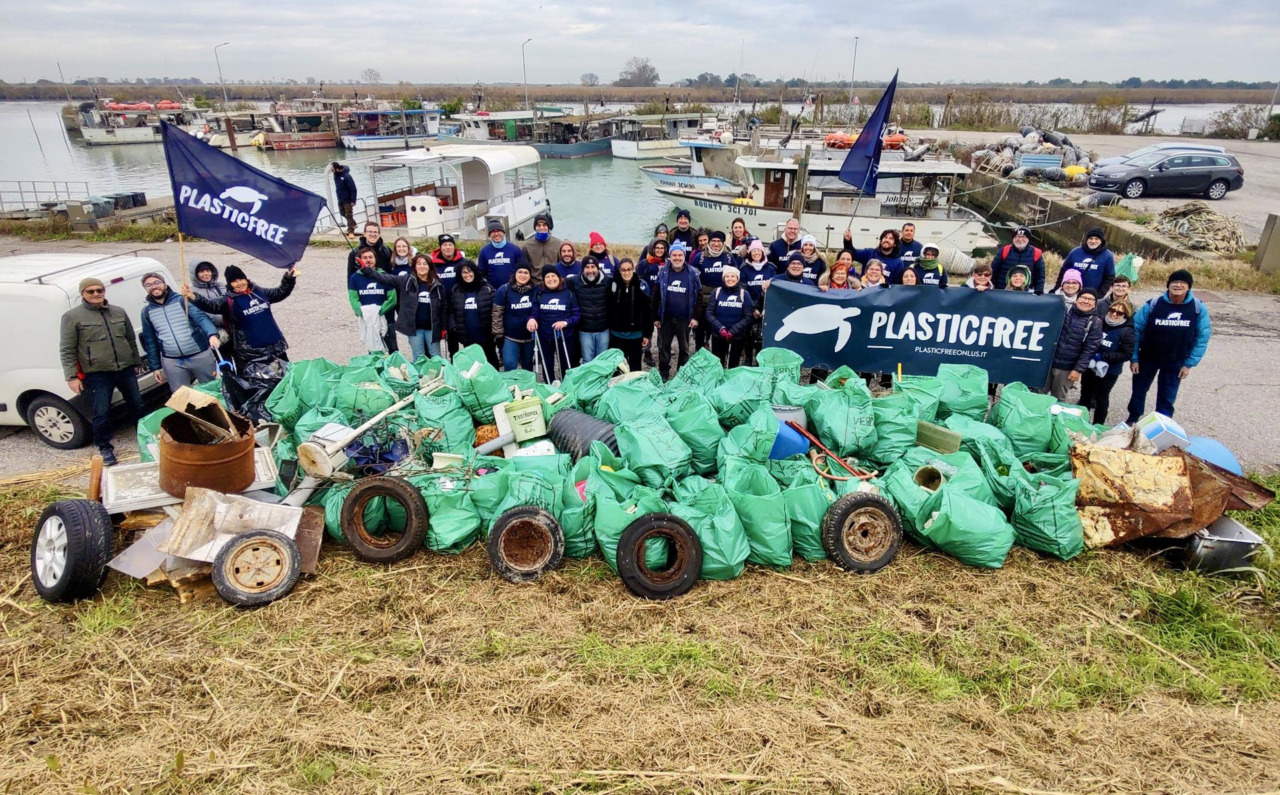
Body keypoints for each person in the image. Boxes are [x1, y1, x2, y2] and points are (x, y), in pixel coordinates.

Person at [60, 277, 144, 465]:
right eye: (91, 291)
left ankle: (145, 438)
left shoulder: (118, 312)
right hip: (97, 373)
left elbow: (130, 339)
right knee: (102, 412)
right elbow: (67, 348)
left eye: (99, 290)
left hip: (125, 368)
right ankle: (105, 447)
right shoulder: (72, 317)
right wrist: (71, 376)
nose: (96, 294)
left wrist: (136, 361)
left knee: (137, 405)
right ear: (83, 294)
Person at [1125, 269, 1211, 424]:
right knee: (1139, 391)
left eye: (1182, 282)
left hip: (1176, 360)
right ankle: (1133, 418)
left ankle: (1161, 423)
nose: (1178, 285)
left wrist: (1189, 363)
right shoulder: (1153, 304)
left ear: (1189, 287)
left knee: (1167, 395)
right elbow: (1135, 330)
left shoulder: (1198, 308)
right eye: (1174, 282)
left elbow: (1202, 337)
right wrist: (1134, 358)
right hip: (1147, 357)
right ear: (1168, 285)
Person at [184, 265, 296, 373]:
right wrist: (193, 296)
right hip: (250, 352)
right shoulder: (228, 300)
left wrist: (289, 277)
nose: (239, 283)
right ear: (230, 284)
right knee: (260, 383)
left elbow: (280, 292)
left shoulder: (259, 292)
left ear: (246, 279)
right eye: (234, 281)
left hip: (275, 345)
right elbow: (210, 305)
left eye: (241, 279)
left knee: (286, 375)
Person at [139, 272, 219, 392]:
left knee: (214, 389)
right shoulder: (146, 312)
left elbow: (201, 318)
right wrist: (155, 367)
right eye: (148, 285)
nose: (154, 286)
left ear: (165, 284)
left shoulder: (183, 300)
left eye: (157, 282)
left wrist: (212, 334)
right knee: (181, 397)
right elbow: (150, 340)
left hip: (199, 354)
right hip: (172, 362)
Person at [362, 252, 446, 361]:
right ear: (414, 266)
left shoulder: (438, 285)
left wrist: (444, 328)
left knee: (436, 356)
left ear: (430, 267)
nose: (422, 266)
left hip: (432, 328)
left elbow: (443, 308)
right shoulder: (405, 280)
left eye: (425, 264)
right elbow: (385, 278)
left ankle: (438, 377)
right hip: (414, 328)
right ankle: (419, 377)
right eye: (419, 264)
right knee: (418, 356)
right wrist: (368, 271)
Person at [652, 242, 702, 381]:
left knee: (685, 348)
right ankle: (663, 373)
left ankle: (682, 374)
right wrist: (655, 317)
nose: (677, 258)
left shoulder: (693, 273)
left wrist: (695, 317)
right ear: (670, 256)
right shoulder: (663, 272)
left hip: (685, 318)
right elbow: (655, 296)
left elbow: (699, 296)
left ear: (684, 256)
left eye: (680, 255)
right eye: (674, 255)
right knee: (663, 347)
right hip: (666, 318)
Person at [1080, 299, 1135, 424]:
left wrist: (1104, 356)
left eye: (1120, 313)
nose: (1114, 314)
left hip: (1108, 371)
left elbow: (1127, 354)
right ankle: (1081, 422)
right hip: (1090, 366)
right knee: (1085, 395)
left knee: (1101, 398)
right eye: (1112, 310)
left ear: (1125, 315)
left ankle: (1098, 425)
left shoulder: (1127, 331)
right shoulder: (1099, 322)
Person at [1048, 288, 1103, 403]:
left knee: (1058, 400)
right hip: (1048, 363)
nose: (1086, 301)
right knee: (1037, 395)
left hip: (1066, 368)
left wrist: (1078, 370)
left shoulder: (1095, 322)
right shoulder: (1063, 312)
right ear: (1077, 299)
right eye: (1083, 297)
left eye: (1090, 299)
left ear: (1095, 304)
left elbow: (1089, 350)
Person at [530, 267, 580, 382]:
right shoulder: (539, 293)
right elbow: (535, 312)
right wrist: (532, 319)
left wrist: (565, 322)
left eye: (553, 276)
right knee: (547, 364)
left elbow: (577, 315)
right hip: (544, 336)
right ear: (544, 280)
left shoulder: (569, 293)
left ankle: (565, 386)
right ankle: (549, 386)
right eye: (547, 277)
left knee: (565, 365)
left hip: (564, 336)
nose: (551, 279)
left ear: (559, 278)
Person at [348, 247, 398, 353]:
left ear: (375, 259)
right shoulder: (355, 278)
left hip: (386, 320)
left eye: (370, 257)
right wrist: (362, 312)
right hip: (368, 320)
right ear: (360, 260)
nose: (368, 260)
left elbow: (392, 298)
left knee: (392, 350)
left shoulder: (384, 276)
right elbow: (353, 298)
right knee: (373, 351)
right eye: (365, 258)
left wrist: (377, 311)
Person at [449, 262, 499, 368]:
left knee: (491, 362)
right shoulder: (456, 290)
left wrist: (495, 329)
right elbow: (451, 310)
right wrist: (453, 326)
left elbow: (496, 309)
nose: (467, 275)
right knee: (473, 365)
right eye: (464, 272)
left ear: (475, 272)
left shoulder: (487, 288)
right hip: (467, 336)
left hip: (486, 335)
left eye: (470, 271)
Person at [606, 258, 651, 372]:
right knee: (618, 367)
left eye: (629, 269)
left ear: (633, 269)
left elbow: (647, 312)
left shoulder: (642, 286)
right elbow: (608, 309)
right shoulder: (613, 285)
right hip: (617, 334)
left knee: (635, 367)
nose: (626, 273)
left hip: (636, 335)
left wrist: (647, 334)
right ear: (619, 270)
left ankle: (635, 388)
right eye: (623, 270)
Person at [493, 263, 538, 373]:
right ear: (515, 274)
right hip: (510, 337)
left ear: (530, 275)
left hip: (530, 337)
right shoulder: (504, 290)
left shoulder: (535, 290)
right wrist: (498, 335)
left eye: (526, 273)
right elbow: (497, 314)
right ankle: (511, 387)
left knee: (527, 366)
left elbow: (538, 310)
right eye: (520, 272)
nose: (523, 275)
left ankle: (526, 388)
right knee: (509, 365)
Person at [706, 266, 754, 368]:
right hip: (718, 335)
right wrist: (720, 328)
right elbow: (709, 313)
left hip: (737, 336)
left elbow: (748, 316)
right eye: (727, 276)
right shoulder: (717, 292)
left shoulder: (744, 294)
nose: (730, 279)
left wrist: (733, 330)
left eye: (733, 276)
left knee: (734, 363)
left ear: (737, 279)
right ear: (723, 278)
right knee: (718, 362)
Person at [570, 256, 610, 364]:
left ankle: (602, 381)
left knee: (602, 361)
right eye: (587, 267)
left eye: (593, 267)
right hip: (585, 330)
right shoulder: (574, 282)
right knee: (587, 360)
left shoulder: (608, 281)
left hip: (603, 329)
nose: (590, 270)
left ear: (598, 268)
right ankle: (588, 381)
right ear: (583, 269)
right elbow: (558, 284)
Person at [1053, 228, 1115, 296]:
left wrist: (1099, 294)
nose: (1093, 241)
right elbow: (1063, 272)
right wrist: (1057, 288)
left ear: (1101, 240)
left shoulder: (1108, 255)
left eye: (1096, 239)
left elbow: (1109, 278)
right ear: (1086, 240)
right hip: (1071, 292)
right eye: (1091, 238)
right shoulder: (1075, 252)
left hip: (1091, 295)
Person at [990, 226, 1045, 293]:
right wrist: (990, 287)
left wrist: (1038, 290)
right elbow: (993, 271)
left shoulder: (1037, 253)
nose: (1020, 239)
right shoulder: (1004, 250)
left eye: (1023, 237)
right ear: (1013, 238)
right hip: (1002, 291)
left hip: (1024, 293)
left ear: (1028, 239)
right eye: (1017, 236)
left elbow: (1040, 276)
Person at [477, 218, 526, 290]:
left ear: (503, 232)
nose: (496, 234)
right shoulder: (484, 251)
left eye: (498, 231)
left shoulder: (515, 249)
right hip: (493, 292)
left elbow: (523, 270)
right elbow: (481, 274)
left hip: (513, 290)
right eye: (493, 231)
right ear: (489, 235)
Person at [332, 162, 357, 237]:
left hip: (347, 199)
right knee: (342, 213)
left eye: (333, 169)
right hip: (340, 198)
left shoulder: (346, 176)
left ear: (337, 169)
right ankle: (353, 224)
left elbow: (353, 189)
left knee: (349, 214)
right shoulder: (336, 175)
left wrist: (353, 200)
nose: (332, 171)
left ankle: (351, 231)